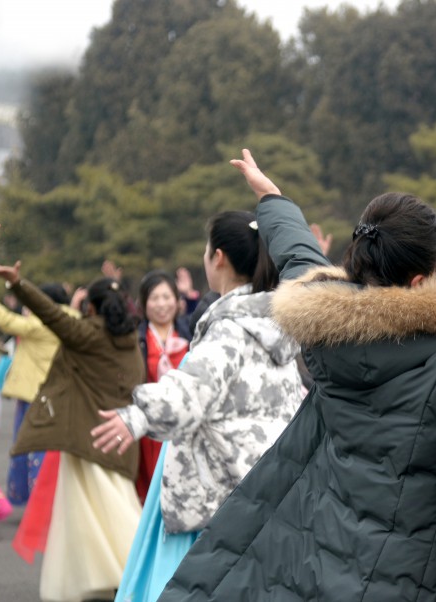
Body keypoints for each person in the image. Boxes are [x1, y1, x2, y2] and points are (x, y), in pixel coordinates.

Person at [160, 150, 436, 601]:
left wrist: (273, 201)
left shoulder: (330, 329)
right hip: (416, 571)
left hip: (320, 548)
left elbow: (298, 256)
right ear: (418, 283)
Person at [89, 211, 304, 602]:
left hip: (214, 498)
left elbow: (189, 393)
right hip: (268, 494)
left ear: (217, 257)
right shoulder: (276, 328)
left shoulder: (230, 328)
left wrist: (136, 415)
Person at [0, 223, 145, 602]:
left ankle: (129, 576)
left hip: (87, 440)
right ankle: (123, 578)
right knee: (113, 511)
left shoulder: (89, 336)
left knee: (90, 520)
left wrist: (17, 284)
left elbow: (51, 316)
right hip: (122, 442)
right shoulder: (129, 342)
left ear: (89, 307)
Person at [0, 282, 76, 505]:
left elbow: (4, 319)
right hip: (56, 395)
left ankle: (38, 502)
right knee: (45, 450)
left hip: (34, 396)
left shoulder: (43, 324)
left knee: (31, 449)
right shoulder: (71, 320)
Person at [133, 270, 193, 502]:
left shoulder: (189, 332)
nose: (161, 304)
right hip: (149, 430)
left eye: (167, 297)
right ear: (144, 303)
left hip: (182, 426)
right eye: (154, 298)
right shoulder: (137, 339)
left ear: (177, 301)